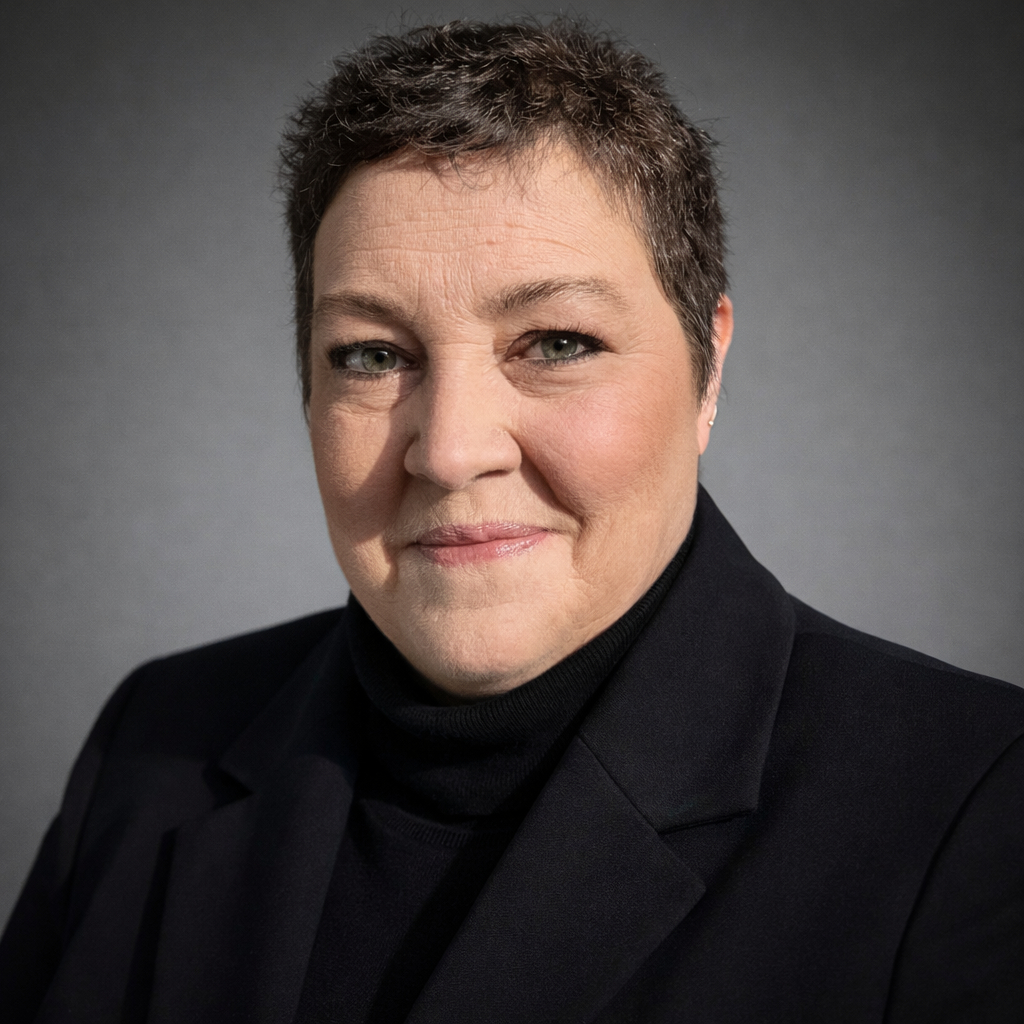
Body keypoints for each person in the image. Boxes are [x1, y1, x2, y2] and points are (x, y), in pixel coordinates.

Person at [1, 17, 1021, 1024]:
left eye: (556, 342)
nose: (449, 450)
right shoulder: (154, 746)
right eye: (372, 355)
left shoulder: (975, 805)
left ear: (708, 366)